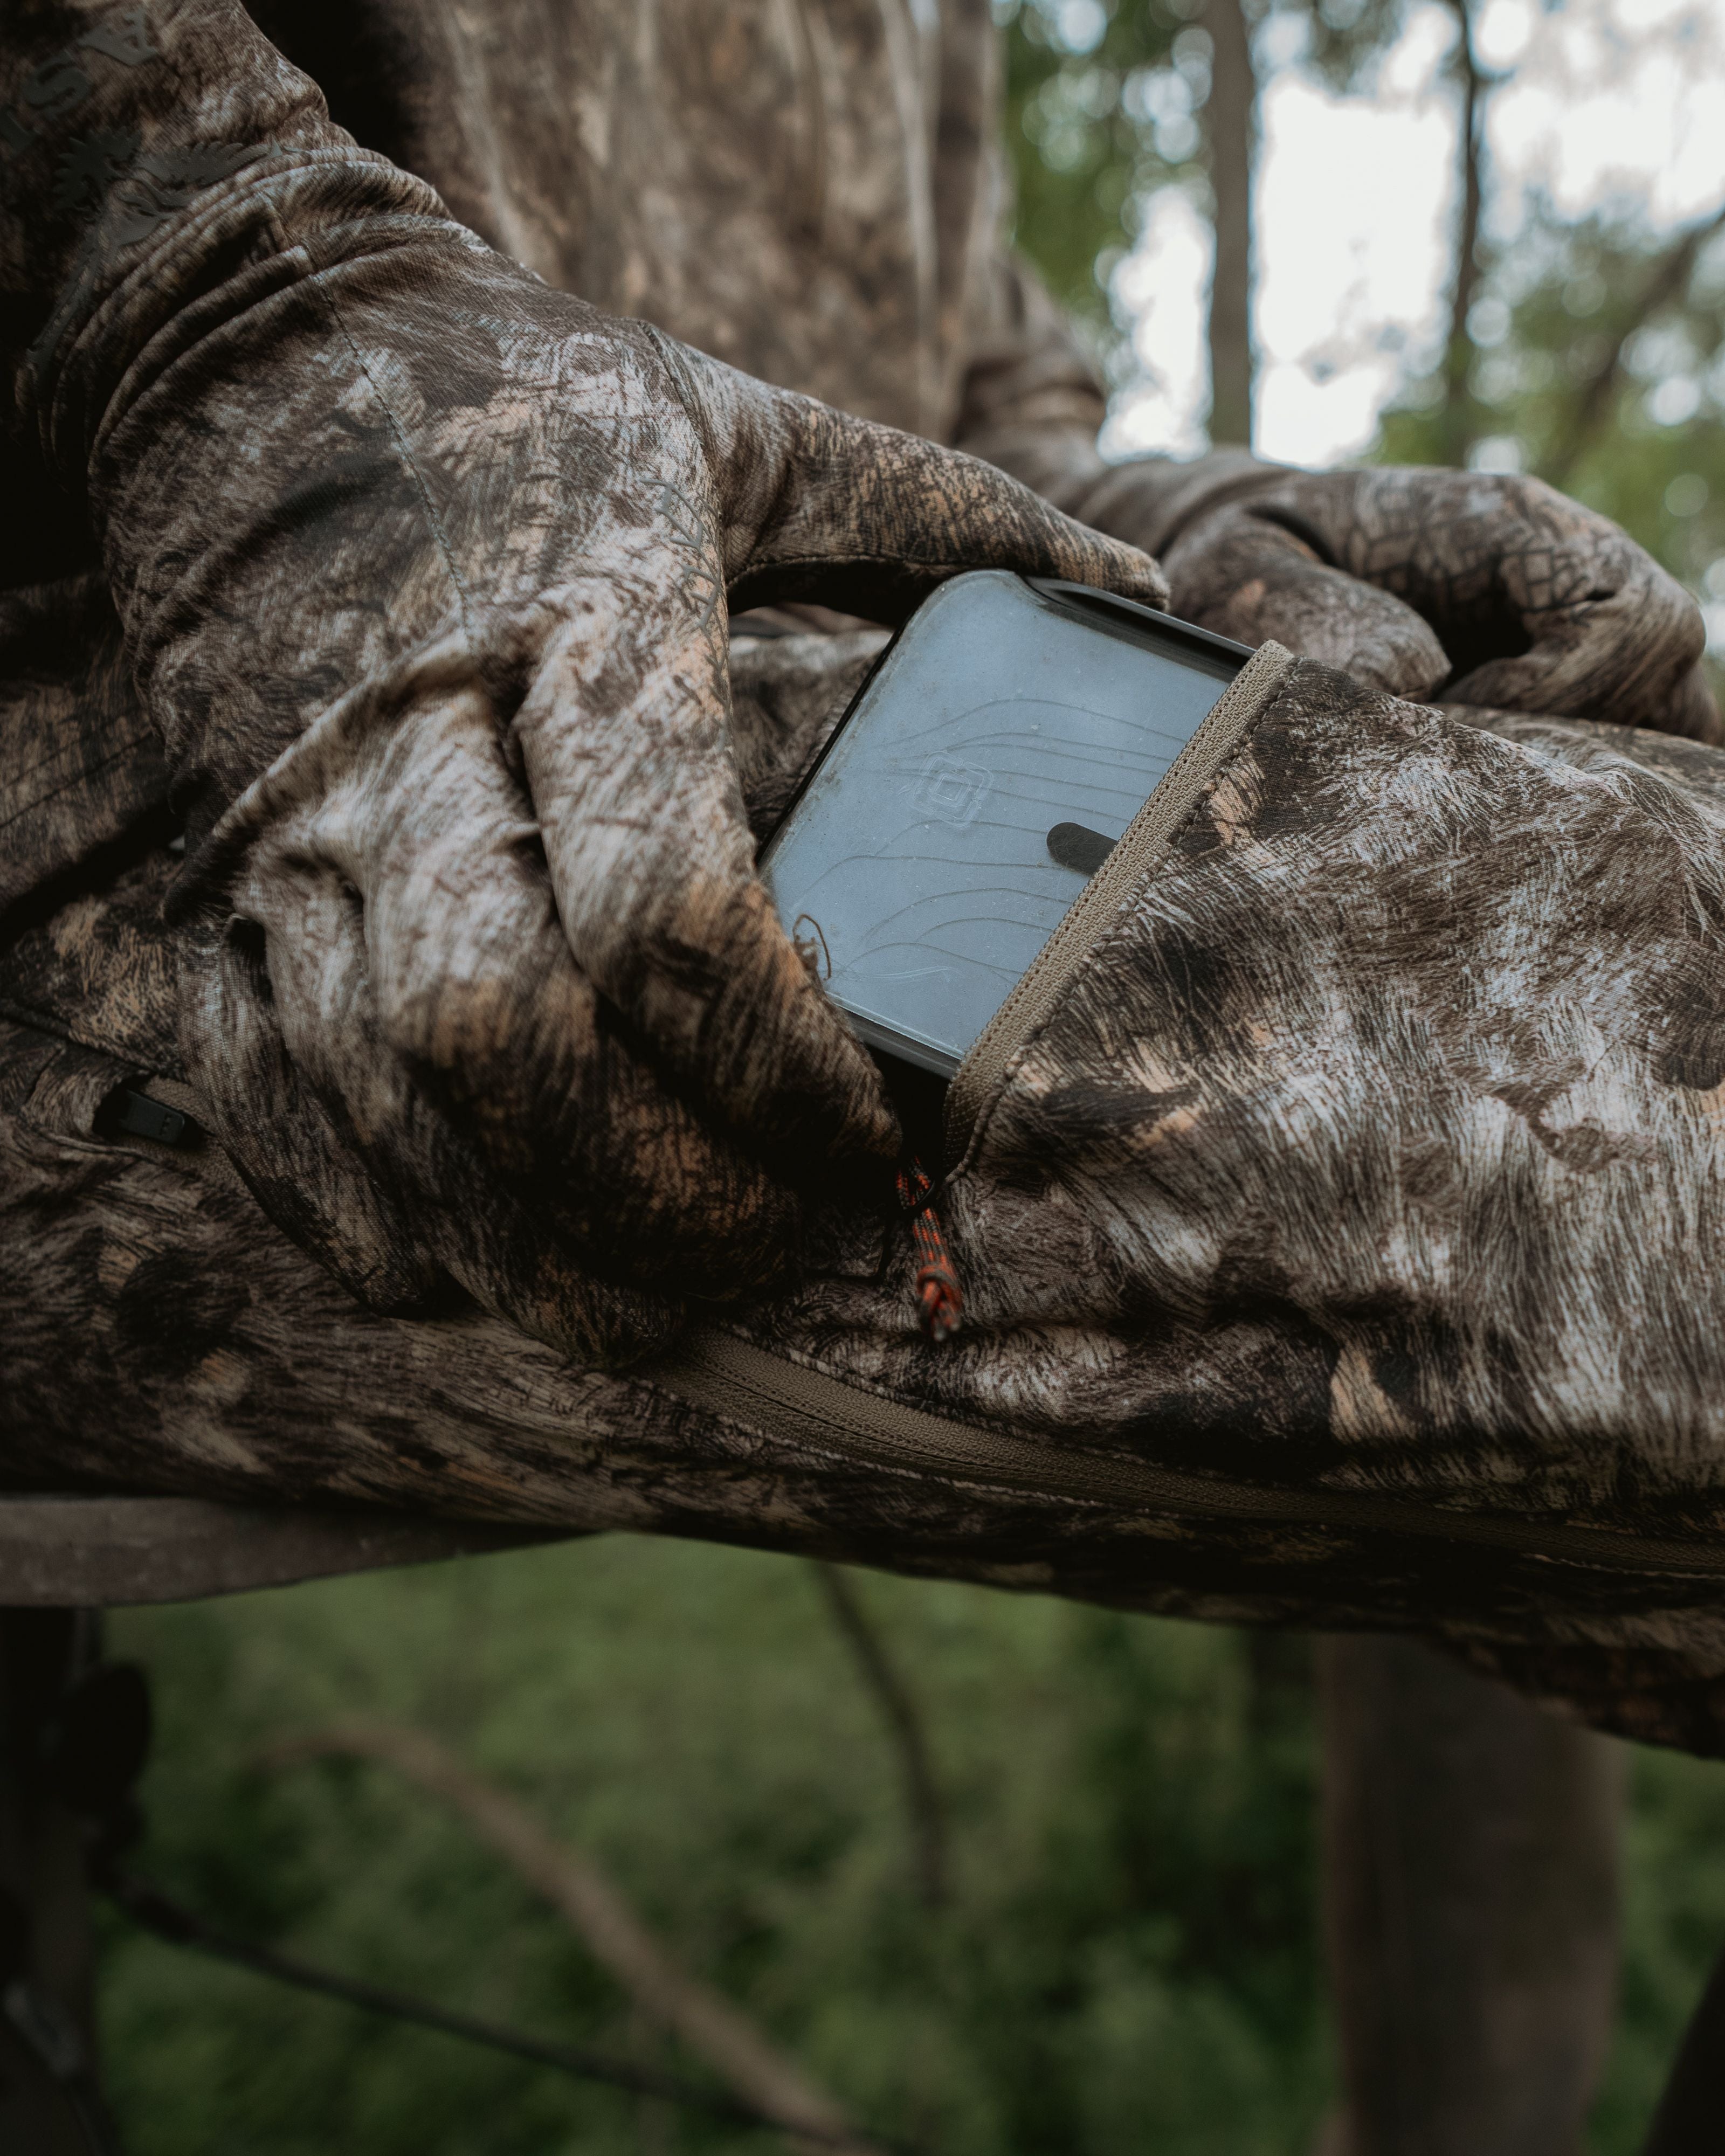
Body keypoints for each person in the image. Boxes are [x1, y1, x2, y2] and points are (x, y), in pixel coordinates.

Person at [2, 8, 1721, 2151]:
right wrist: (216, 308)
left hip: (846, 699)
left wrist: (1209, 520)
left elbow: (974, 424)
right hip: (237, 762)